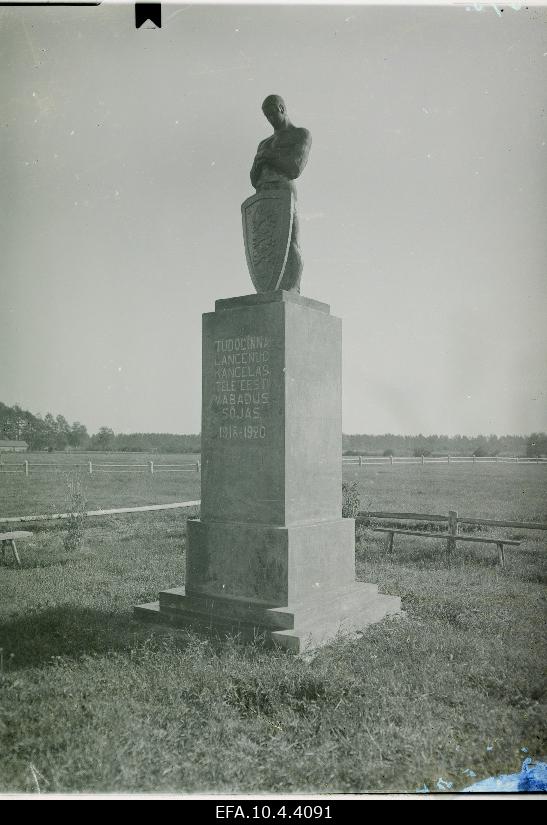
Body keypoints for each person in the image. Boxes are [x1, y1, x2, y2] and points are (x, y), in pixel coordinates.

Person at [250, 95, 311, 292]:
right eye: (266, 115)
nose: (269, 118)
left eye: (272, 113)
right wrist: (259, 162)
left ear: (282, 108)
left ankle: (292, 288)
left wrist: (268, 157)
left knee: (289, 241)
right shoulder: (264, 143)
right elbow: (253, 179)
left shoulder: (300, 135)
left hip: (283, 192)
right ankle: (269, 288)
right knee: (265, 244)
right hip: (263, 195)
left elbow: (294, 168)